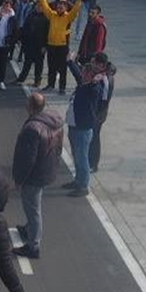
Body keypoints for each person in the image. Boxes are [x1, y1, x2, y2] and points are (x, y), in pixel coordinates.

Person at [10, 92, 63, 259]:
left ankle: (33, 246)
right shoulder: (54, 120)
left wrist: (19, 180)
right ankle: (29, 229)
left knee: (33, 209)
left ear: (30, 106)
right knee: (34, 205)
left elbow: (27, 159)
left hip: (35, 175)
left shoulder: (32, 129)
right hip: (48, 168)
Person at [62, 59, 100, 198]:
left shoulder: (93, 88)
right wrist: (70, 61)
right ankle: (78, 180)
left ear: (91, 75)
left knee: (82, 157)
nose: (82, 74)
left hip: (82, 128)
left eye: (85, 73)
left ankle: (83, 185)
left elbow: (94, 87)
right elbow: (76, 73)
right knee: (77, 156)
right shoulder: (83, 84)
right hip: (74, 126)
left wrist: (96, 80)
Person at [35, 0, 83, 94]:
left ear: (66, 8)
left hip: (62, 46)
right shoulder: (52, 15)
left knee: (62, 68)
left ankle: (62, 87)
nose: (60, 7)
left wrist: (79, 0)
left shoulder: (67, 17)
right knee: (51, 66)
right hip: (51, 45)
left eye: (62, 5)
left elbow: (75, 11)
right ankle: (50, 84)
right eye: (58, 5)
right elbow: (46, 7)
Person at [88, 52, 115, 173]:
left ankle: (93, 163)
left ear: (102, 65)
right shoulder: (104, 74)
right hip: (96, 112)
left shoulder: (105, 80)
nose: (92, 65)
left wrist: (95, 115)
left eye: (95, 63)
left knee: (94, 138)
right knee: (92, 137)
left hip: (98, 113)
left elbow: (104, 100)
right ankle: (91, 161)